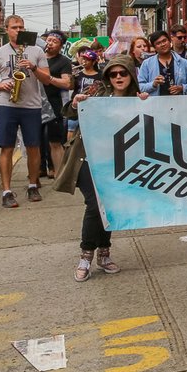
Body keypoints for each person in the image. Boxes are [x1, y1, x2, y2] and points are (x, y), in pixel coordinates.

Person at [66, 54, 146, 281]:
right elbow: (70, 113)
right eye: (113, 74)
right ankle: (86, 256)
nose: (118, 77)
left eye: (123, 73)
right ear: (107, 77)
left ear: (131, 75)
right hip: (87, 160)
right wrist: (75, 103)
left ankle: (104, 254)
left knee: (107, 207)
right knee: (94, 205)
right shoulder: (96, 94)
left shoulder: (138, 100)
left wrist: (149, 104)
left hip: (117, 164)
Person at [0, 15, 56, 208]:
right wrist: (1, 85)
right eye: (14, 27)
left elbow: (47, 79)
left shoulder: (36, 51)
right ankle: (6, 191)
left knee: (34, 147)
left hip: (31, 106)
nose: (18, 30)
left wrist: (32, 67)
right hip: (8, 105)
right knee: (7, 148)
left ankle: (33, 185)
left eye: (21, 27)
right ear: (6, 29)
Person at [39, 31, 75, 180]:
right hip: (35, 102)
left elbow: (67, 83)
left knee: (55, 140)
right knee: (36, 140)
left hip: (54, 103)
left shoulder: (63, 61)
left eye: (55, 41)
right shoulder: (37, 57)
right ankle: (39, 170)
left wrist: (48, 78)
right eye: (49, 40)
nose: (50, 43)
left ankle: (58, 173)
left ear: (61, 46)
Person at [138, 29, 187, 95]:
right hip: (155, 103)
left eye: (164, 41)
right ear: (154, 47)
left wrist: (182, 88)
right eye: (158, 43)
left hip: (179, 103)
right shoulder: (147, 64)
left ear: (169, 41)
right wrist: (153, 84)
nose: (162, 44)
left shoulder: (184, 62)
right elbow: (140, 86)